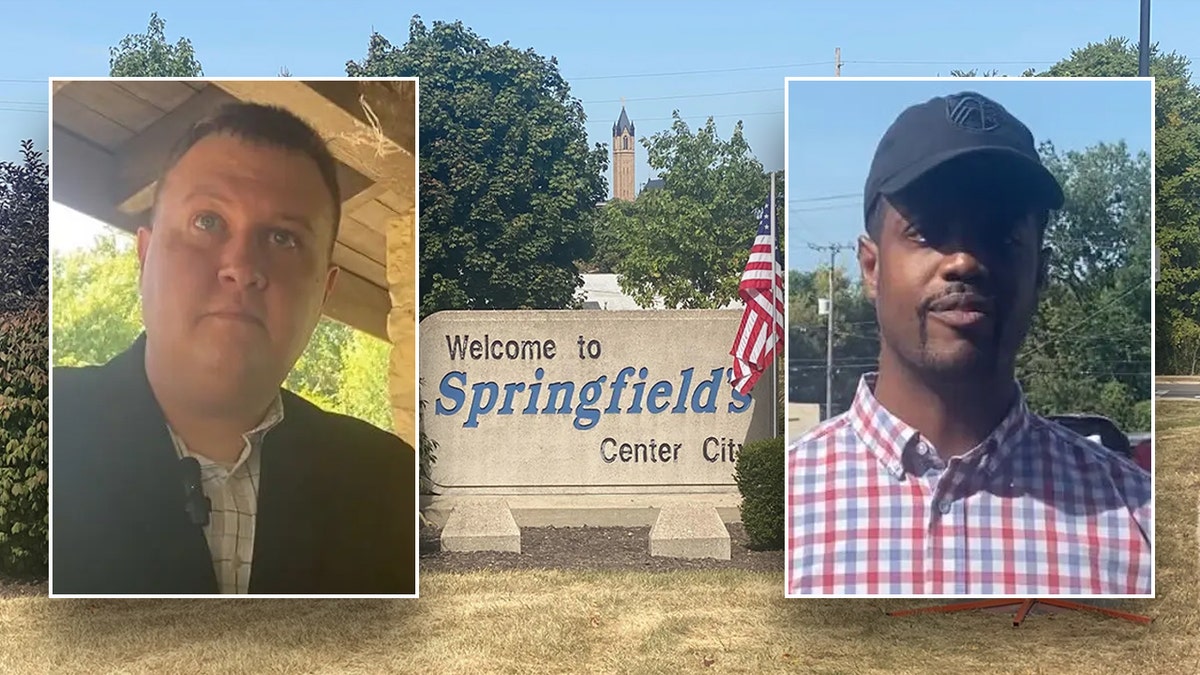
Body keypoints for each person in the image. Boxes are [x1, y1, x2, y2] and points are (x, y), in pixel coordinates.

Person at [786, 91, 1152, 596]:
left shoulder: (1137, 517)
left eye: (1000, 237)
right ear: (871, 268)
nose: (964, 261)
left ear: (1040, 273)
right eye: (928, 232)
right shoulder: (787, 510)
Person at [51, 102, 416, 595]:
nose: (242, 267)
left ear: (323, 293)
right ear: (144, 256)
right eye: (207, 222)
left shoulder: (393, 491)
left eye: (284, 238)